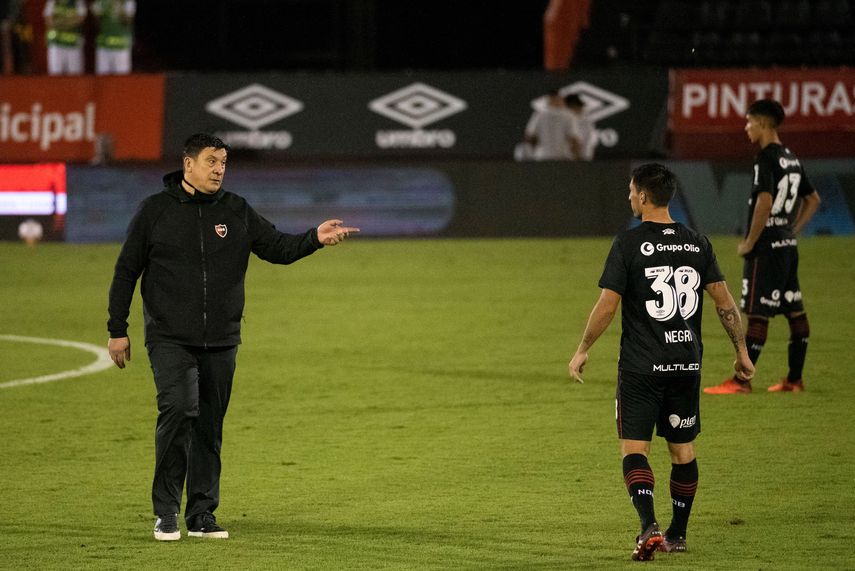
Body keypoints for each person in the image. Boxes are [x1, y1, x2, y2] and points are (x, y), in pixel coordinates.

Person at [107, 133, 359, 542]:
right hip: (170, 337)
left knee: (209, 424)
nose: (219, 169)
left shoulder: (236, 209)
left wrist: (314, 237)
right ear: (188, 164)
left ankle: (202, 513)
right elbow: (125, 271)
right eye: (211, 161)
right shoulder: (154, 211)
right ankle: (166, 511)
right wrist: (117, 330)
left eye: (223, 161)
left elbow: (276, 246)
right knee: (179, 410)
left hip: (222, 339)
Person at [567, 163, 754, 561]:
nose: (629, 196)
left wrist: (583, 348)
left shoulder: (628, 244)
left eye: (631, 191)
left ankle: (648, 524)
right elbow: (723, 301)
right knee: (682, 450)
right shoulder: (698, 243)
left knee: (635, 450)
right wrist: (741, 351)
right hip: (686, 363)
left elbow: (608, 304)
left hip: (641, 366)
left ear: (644, 197)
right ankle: (678, 534)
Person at [704, 99, 821, 395]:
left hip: (767, 247)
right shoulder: (791, 158)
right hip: (787, 245)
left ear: (764, 124)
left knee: (758, 313)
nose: (746, 127)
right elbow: (813, 199)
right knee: (795, 311)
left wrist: (750, 242)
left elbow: (764, 202)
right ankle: (794, 380)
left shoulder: (765, 158)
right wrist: (792, 230)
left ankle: (742, 381)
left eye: (749, 121)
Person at [522, 90, 577, 160]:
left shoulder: (539, 114)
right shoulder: (568, 115)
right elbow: (574, 139)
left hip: (542, 156)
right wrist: (576, 159)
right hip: (562, 157)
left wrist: (534, 149)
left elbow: (529, 136)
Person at [90, 0, 135, 75]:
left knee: (122, 79)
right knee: (101, 79)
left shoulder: (128, 2)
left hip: (121, 47)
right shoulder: (101, 1)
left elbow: (127, 21)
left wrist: (119, 6)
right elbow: (95, 20)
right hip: (103, 45)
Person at [42, 0, 86, 75]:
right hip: (56, 43)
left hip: (73, 45)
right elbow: (49, 20)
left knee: (75, 77)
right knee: (55, 76)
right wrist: (67, 21)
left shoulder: (78, 2)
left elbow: (80, 18)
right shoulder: (52, 1)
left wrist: (60, 23)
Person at [564, 93, 596, 161]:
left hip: (581, 161)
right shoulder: (563, 121)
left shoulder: (586, 122)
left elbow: (579, 145)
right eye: (578, 106)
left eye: (580, 106)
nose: (581, 109)